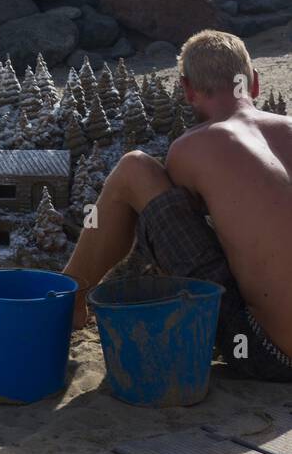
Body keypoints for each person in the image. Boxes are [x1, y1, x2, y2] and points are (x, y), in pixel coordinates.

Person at [62, 29, 292, 381]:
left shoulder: (194, 147)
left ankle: (70, 296)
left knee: (134, 169)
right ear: (254, 83)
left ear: (187, 90)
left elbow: (171, 223)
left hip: (271, 352)